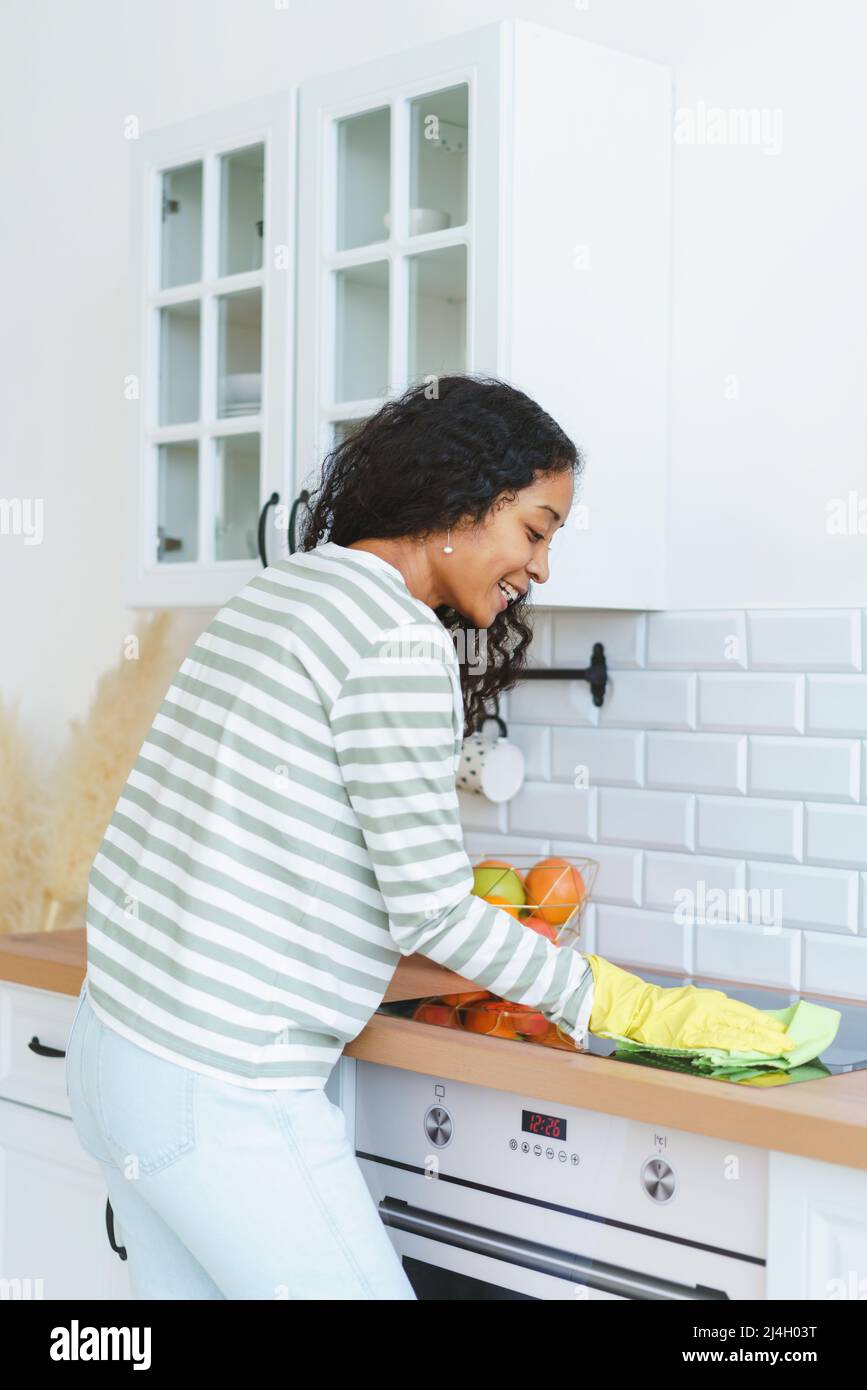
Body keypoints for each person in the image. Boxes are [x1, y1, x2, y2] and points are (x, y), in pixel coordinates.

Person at [65, 374, 790, 1299]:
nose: (540, 567)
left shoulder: (285, 589)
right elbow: (434, 906)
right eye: (533, 529)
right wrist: (617, 1002)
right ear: (461, 497)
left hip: (117, 1048)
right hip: (224, 1087)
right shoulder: (395, 639)